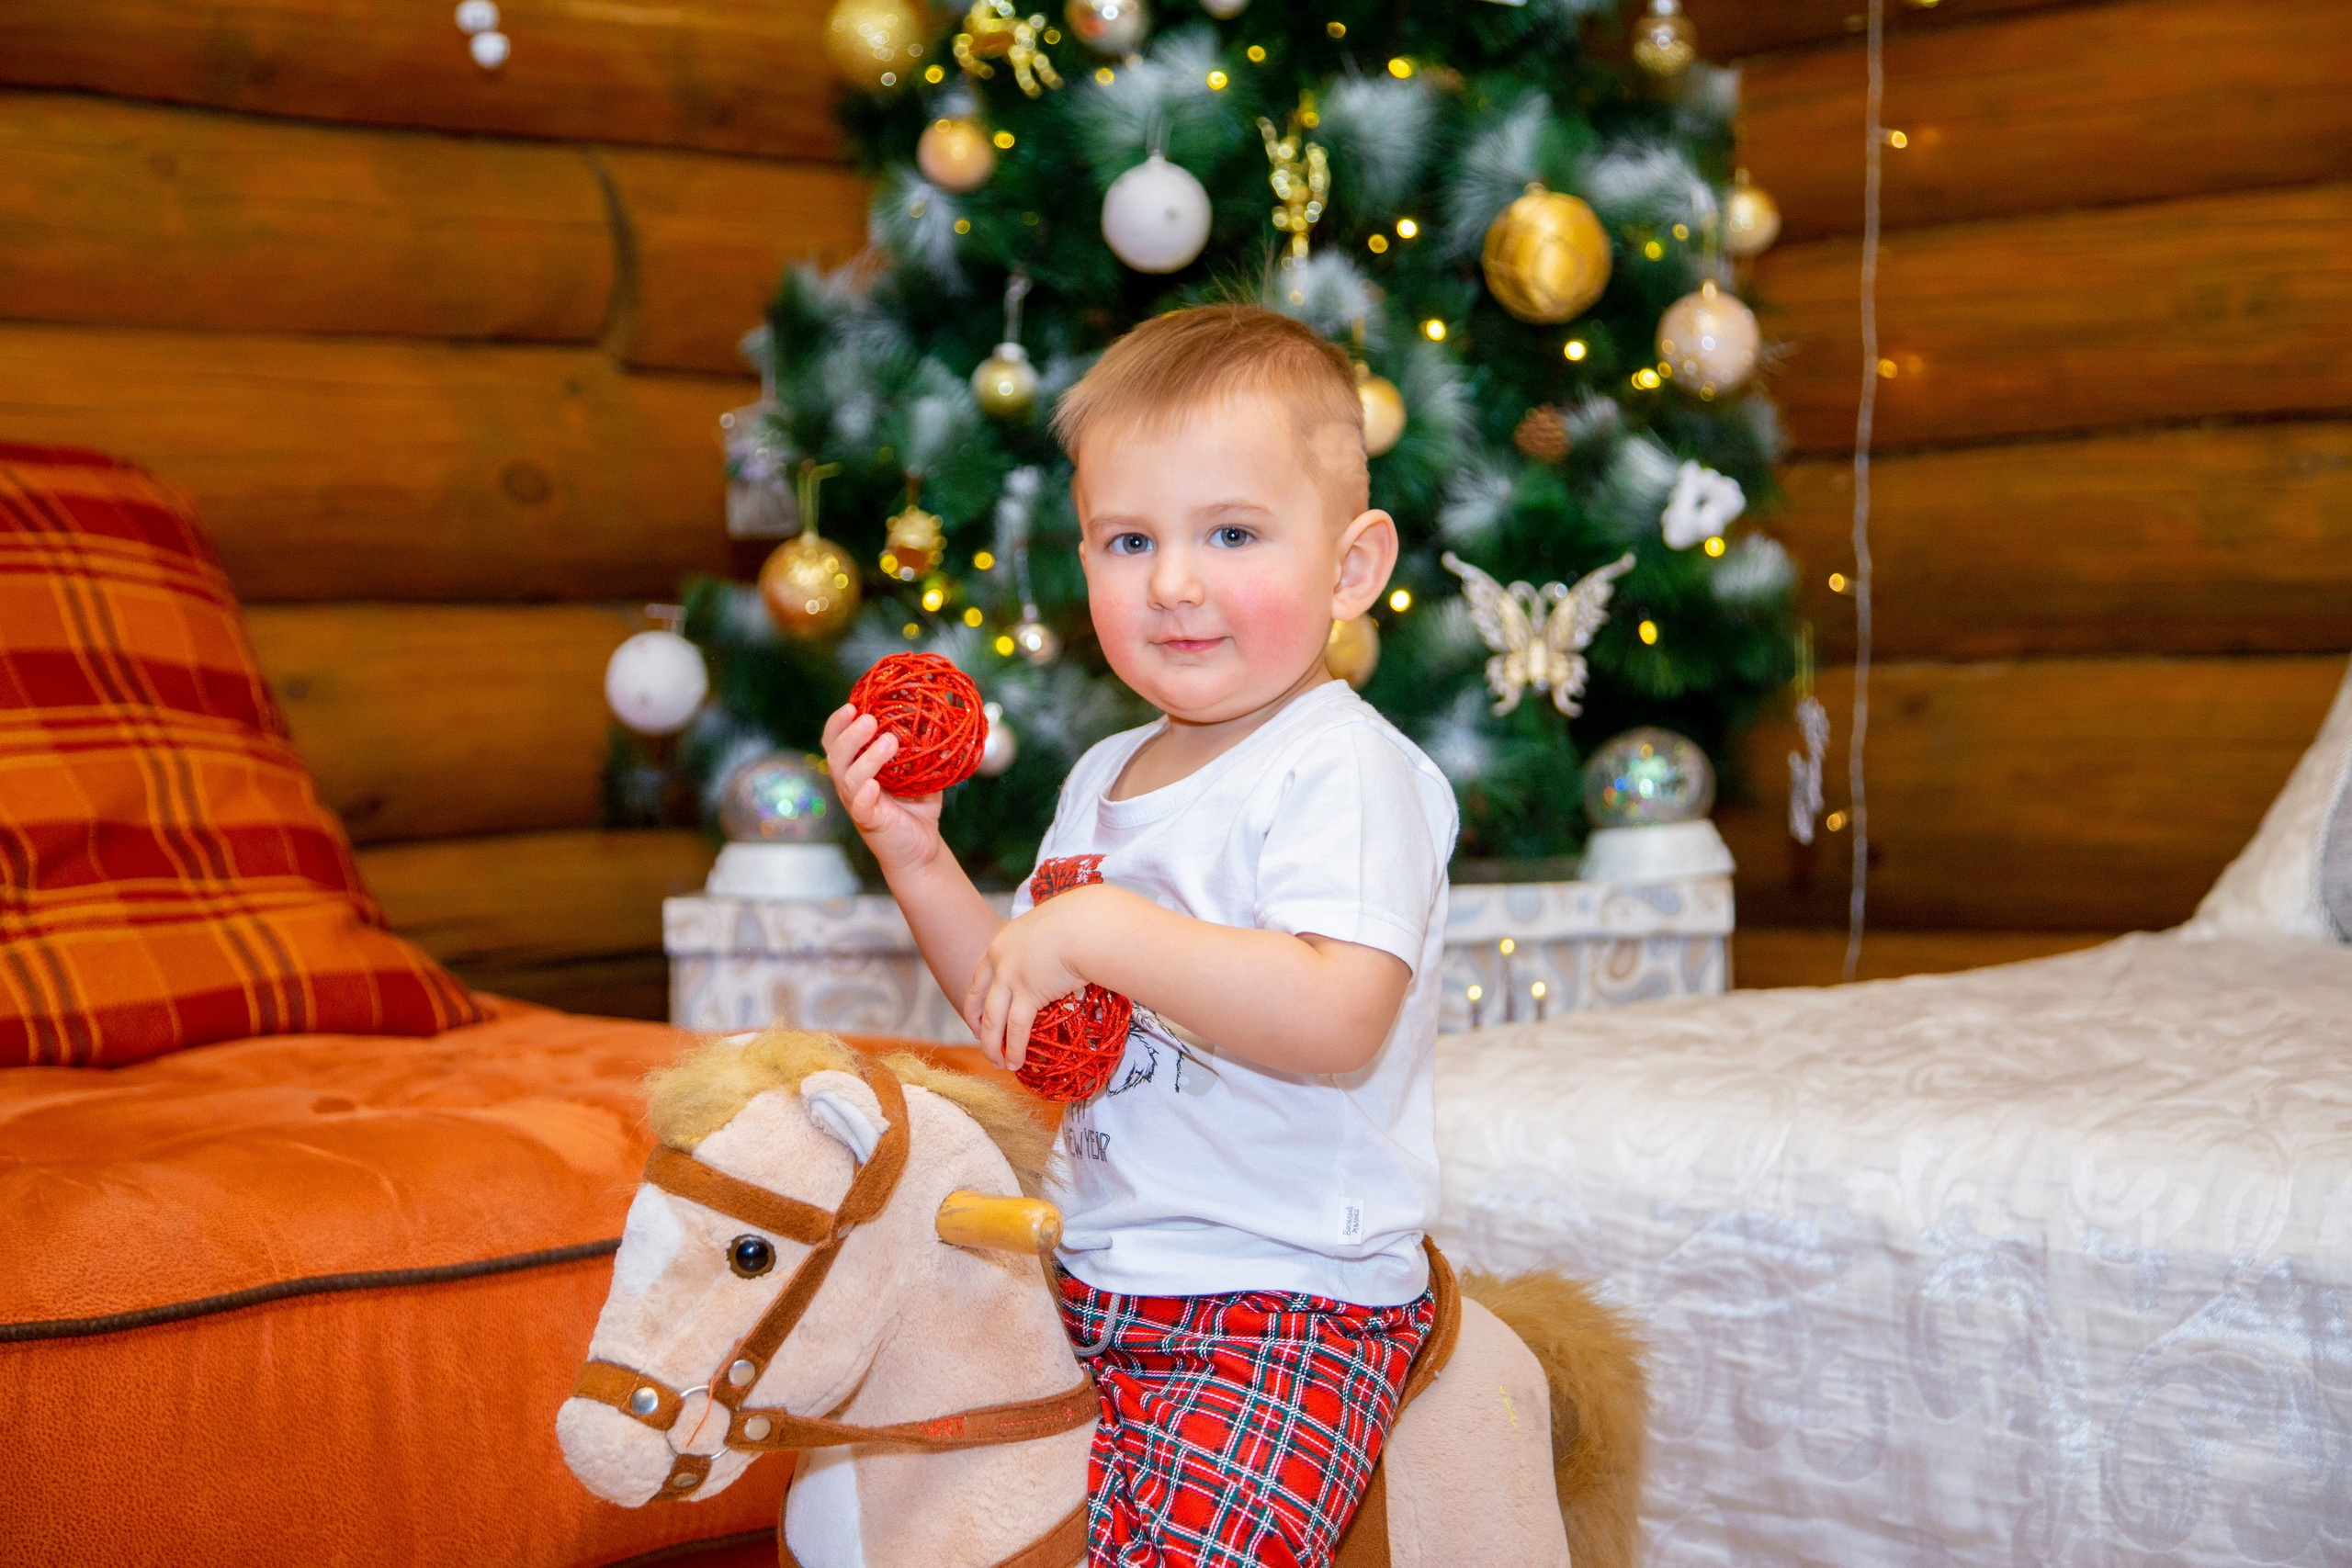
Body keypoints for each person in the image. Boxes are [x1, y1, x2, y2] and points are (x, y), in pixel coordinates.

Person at [821, 304, 1457, 1568]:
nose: (1173, 582)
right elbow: (1028, 1015)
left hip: (1284, 1302)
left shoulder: (1342, 770)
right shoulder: (1106, 772)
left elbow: (1339, 1016)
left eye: (1231, 533)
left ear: (1351, 567)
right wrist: (917, 854)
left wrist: (1109, 928)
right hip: (1090, 1275)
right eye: (1129, 540)